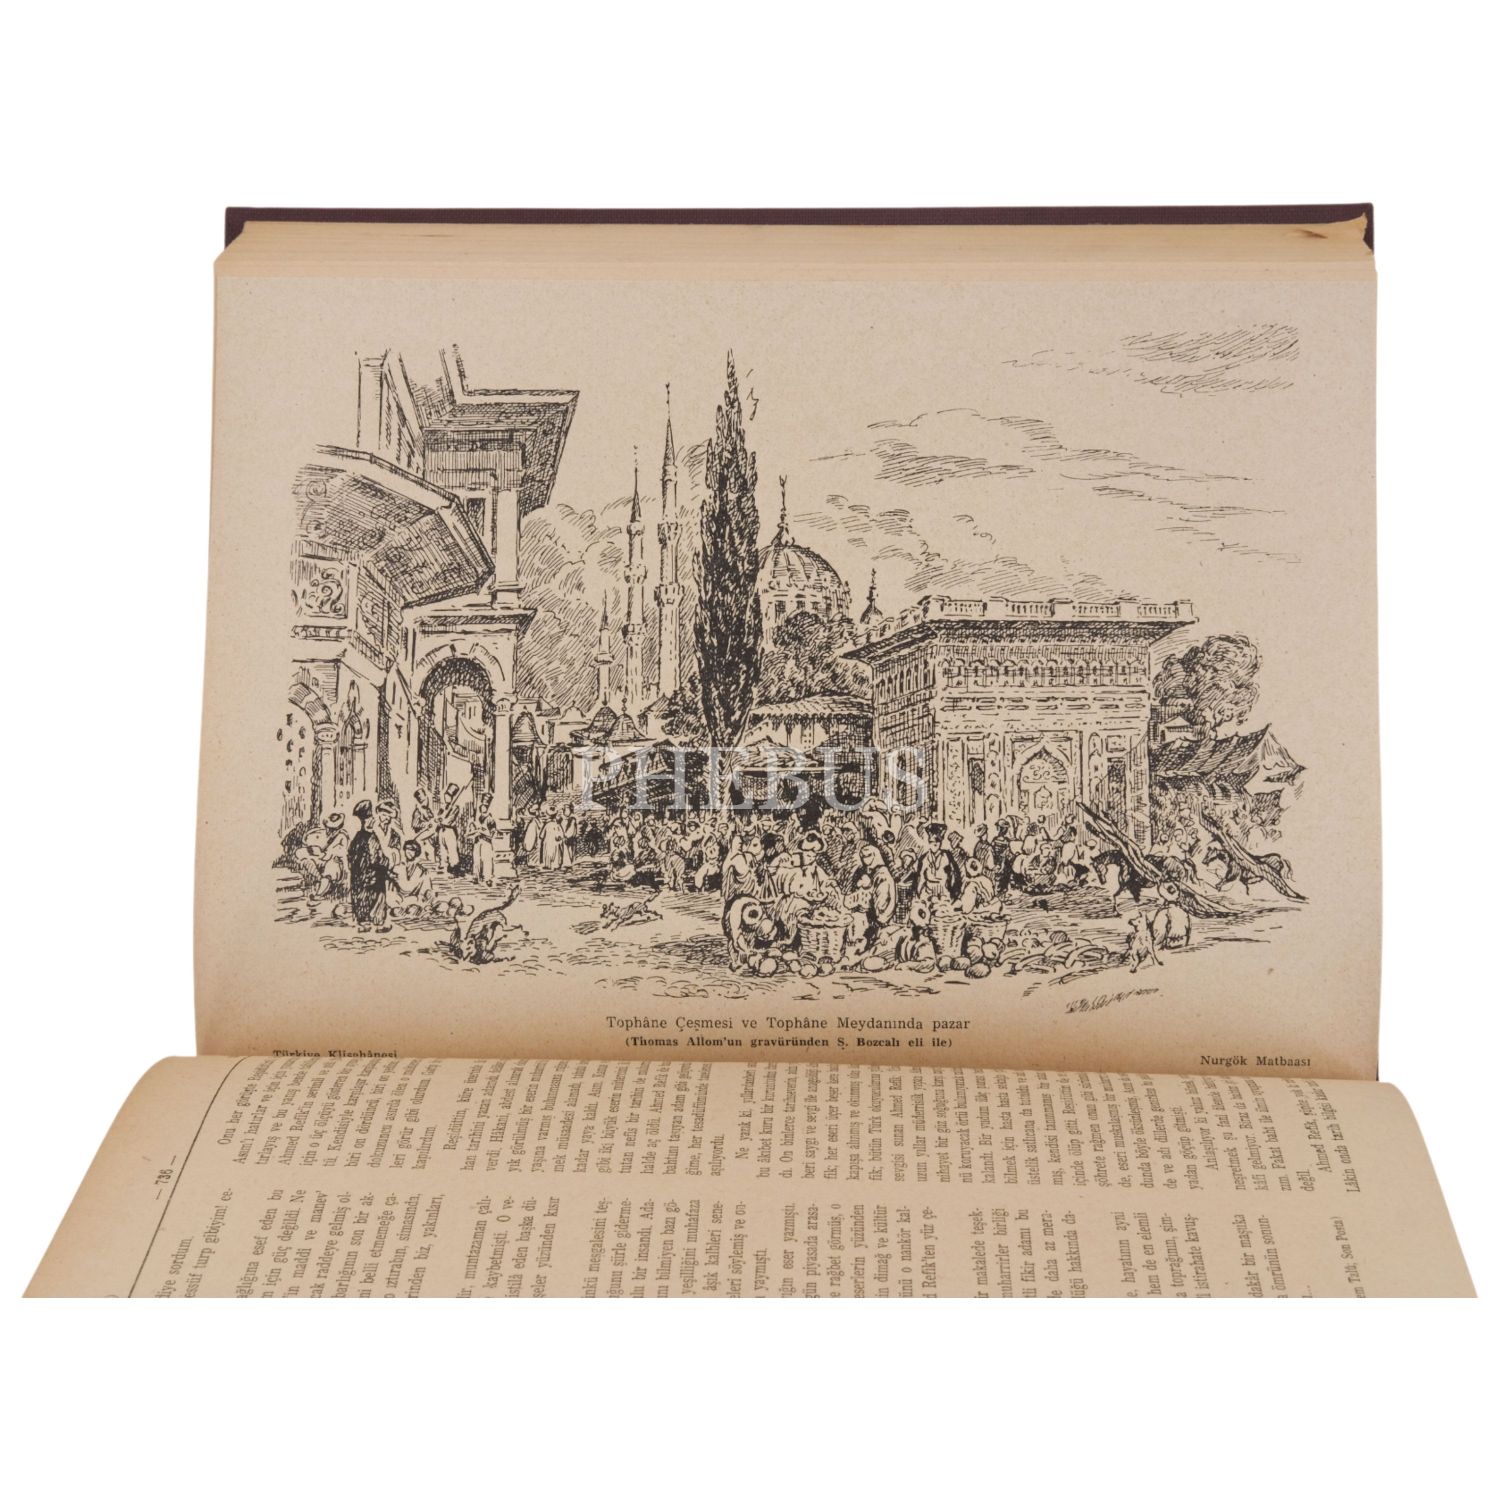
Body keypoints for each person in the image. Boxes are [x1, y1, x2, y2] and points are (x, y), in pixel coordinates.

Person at [347, 800, 390, 932]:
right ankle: (377, 921)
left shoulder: (357, 838)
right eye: (371, 817)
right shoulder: (371, 837)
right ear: (367, 820)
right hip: (372, 878)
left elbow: (350, 859)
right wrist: (386, 862)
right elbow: (376, 858)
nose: (374, 820)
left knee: (361, 897)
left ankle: (364, 922)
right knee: (378, 892)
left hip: (359, 879)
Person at [436, 783, 465, 872]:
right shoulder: (443, 807)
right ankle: (443, 865)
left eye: (448, 796)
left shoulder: (455, 807)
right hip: (442, 830)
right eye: (446, 795)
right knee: (442, 848)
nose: (446, 797)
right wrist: (439, 819)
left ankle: (454, 866)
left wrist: (442, 821)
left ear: (452, 797)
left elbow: (449, 820)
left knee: (451, 848)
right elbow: (438, 817)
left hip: (449, 830)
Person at [472, 816, 496, 886]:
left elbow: (491, 835)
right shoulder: (476, 818)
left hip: (486, 842)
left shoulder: (490, 819)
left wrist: (482, 832)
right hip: (477, 841)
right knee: (476, 859)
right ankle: (476, 876)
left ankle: (488, 878)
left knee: (487, 860)